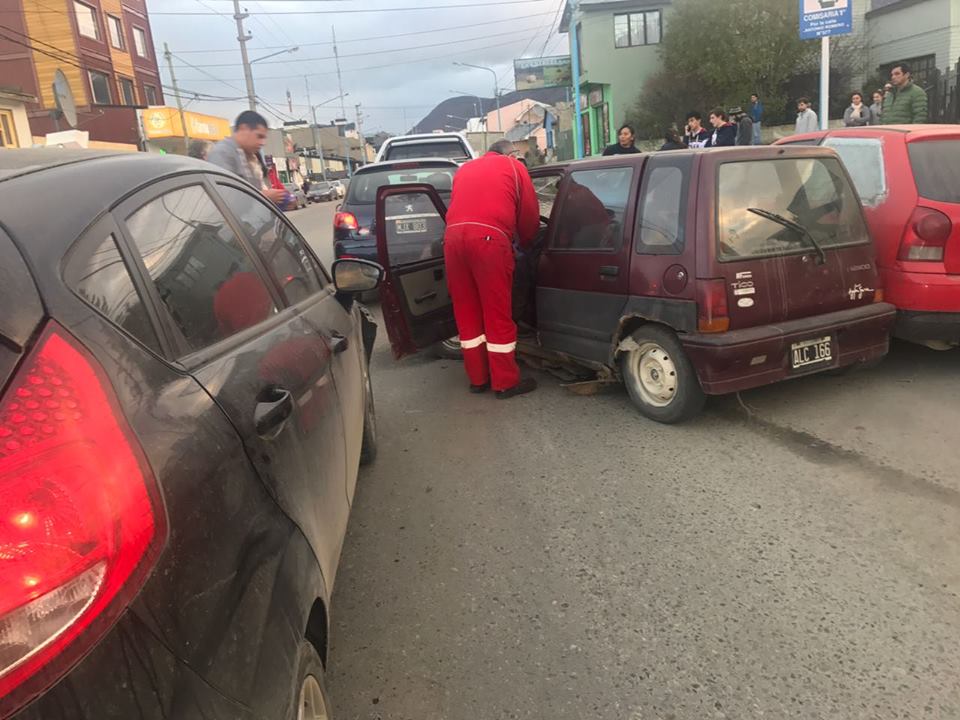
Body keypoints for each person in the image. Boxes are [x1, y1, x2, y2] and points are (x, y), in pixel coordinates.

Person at [443, 139, 540, 399]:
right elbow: (529, 215)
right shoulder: (514, 167)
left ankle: (478, 378)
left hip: (452, 241)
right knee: (497, 312)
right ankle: (505, 382)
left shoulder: (464, 169)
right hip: (489, 241)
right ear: (511, 153)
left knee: (466, 310)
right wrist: (529, 243)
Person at [207, 110, 288, 207]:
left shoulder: (249, 156)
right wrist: (263, 197)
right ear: (243, 129)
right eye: (259, 136)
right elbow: (224, 198)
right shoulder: (223, 153)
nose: (263, 142)